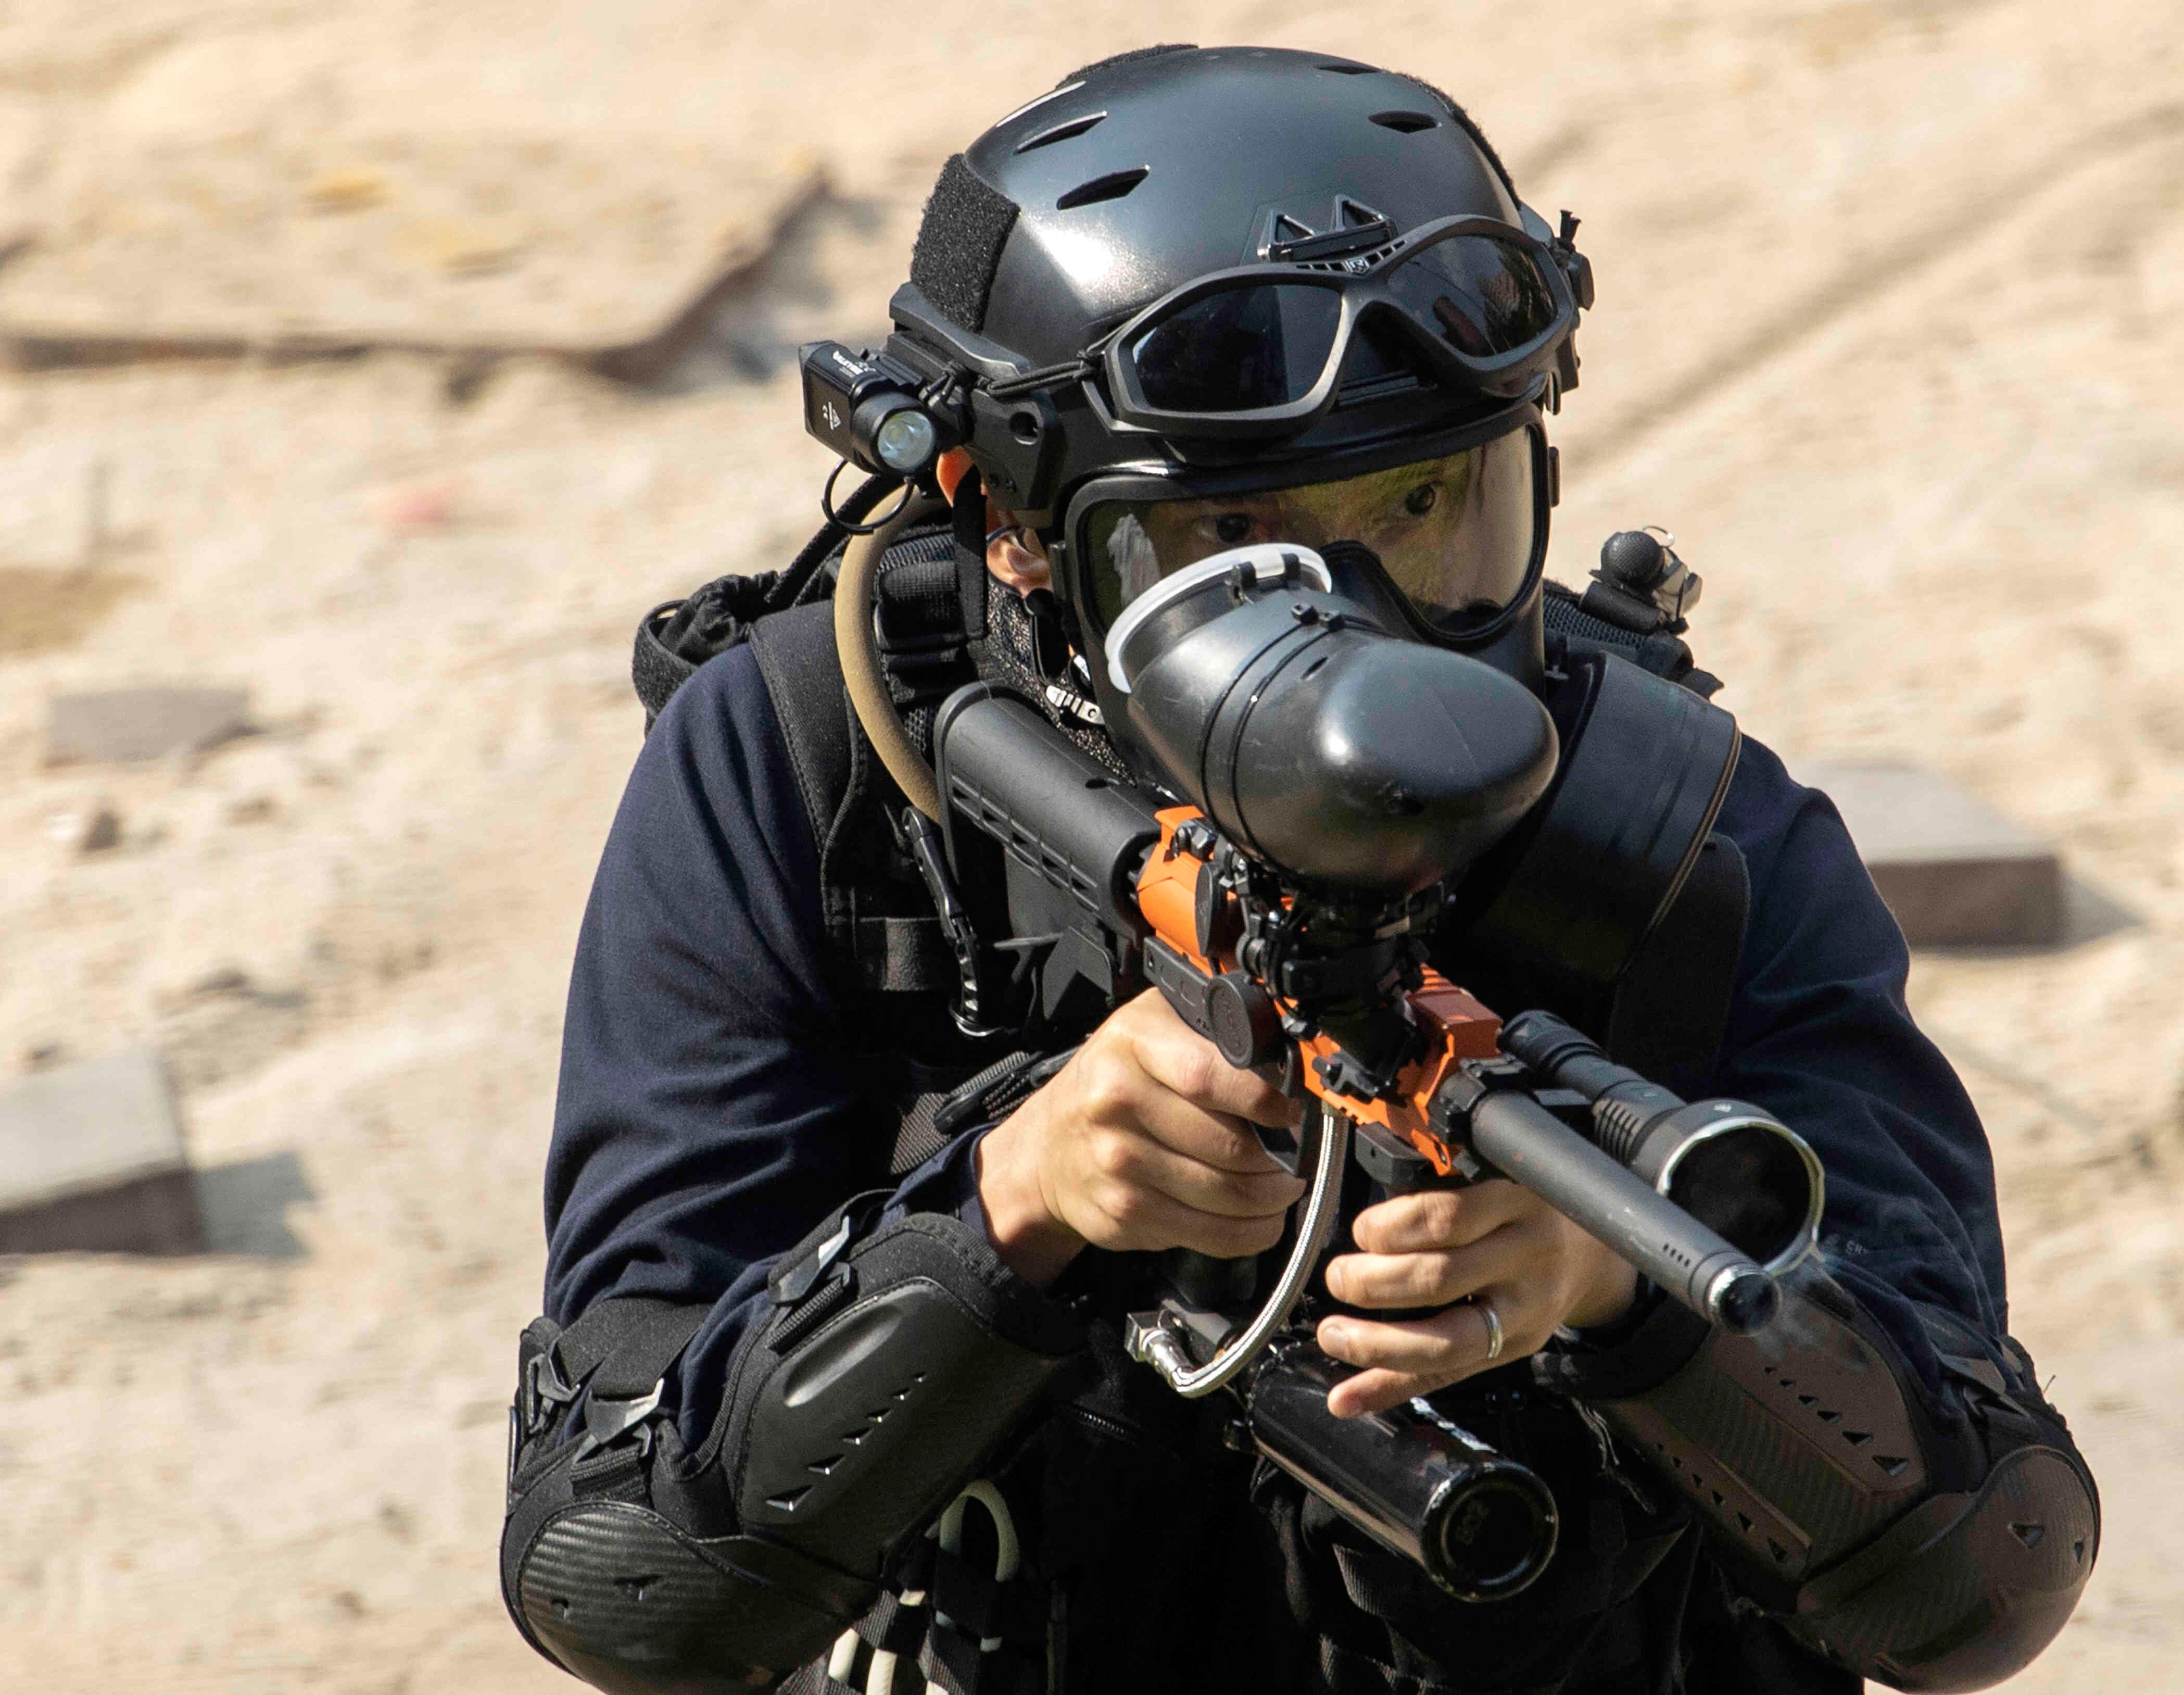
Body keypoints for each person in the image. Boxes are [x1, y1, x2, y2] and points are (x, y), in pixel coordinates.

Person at [499, 43, 2097, 1695]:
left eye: (1427, 509)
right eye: (1231, 555)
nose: (1366, 634)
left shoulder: (1687, 836)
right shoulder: (812, 767)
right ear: (1008, 526)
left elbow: (1982, 1582)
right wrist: (1004, 1214)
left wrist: (1627, 1304)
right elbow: (624, 1583)